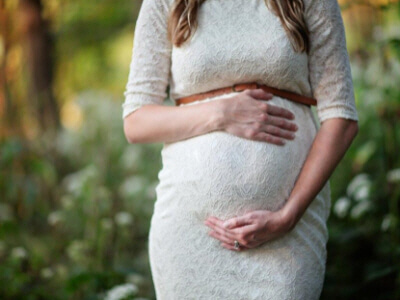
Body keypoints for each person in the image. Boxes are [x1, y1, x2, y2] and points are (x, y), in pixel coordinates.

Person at [121, 0, 359, 298]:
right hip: (189, 235)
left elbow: (342, 117)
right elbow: (137, 121)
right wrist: (222, 113)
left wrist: (287, 216)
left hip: (288, 237)